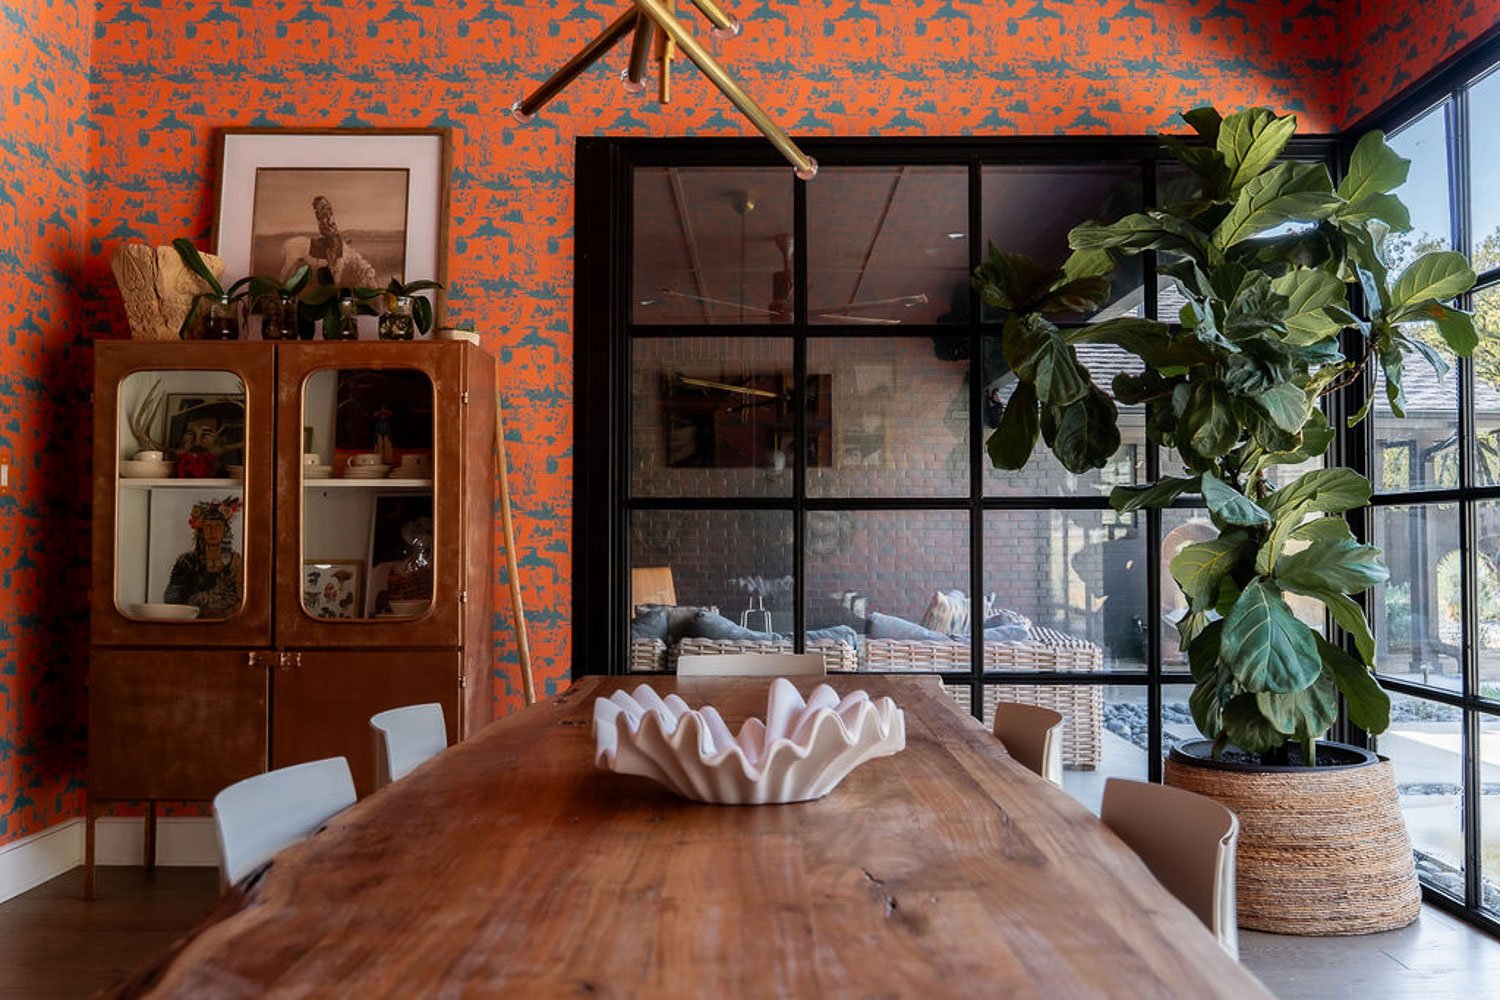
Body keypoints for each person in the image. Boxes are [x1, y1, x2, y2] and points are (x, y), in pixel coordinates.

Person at [163, 496, 244, 618]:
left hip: (225, 623)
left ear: (225, 530)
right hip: (193, 622)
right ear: (201, 530)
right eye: (208, 527)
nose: (213, 532)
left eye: (218, 526)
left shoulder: (235, 561)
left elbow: (243, 599)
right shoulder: (186, 561)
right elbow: (171, 597)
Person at [279, 194, 378, 288]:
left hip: (330, 232)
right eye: (323, 203)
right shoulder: (322, 213)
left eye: (325, 202)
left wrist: (336, 231)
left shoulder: (326, 211)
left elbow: (331, 224)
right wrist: (333, 232)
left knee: (338, 241)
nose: (325, 204)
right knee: (333, 246)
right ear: (319, 204)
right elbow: (325, 225)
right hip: (328, 233)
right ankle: (332, 263)